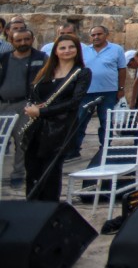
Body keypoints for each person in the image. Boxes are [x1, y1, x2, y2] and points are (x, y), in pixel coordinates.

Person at [22, 34, 90, 201]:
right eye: (63, 47)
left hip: (60, 129)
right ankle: (31, 211)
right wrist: (33, 107)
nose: (67, 50)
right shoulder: (45, 71)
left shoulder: (82, 73)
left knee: (50, 174)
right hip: (37, 128)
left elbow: (74, 103)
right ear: (56, 52)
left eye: (71, 47)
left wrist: (42, 112)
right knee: (32, 171)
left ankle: (48, 212)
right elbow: (34, 94)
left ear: (77, 50)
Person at [68, 24, 127, 163]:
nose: (96, 37)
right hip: (87, 92)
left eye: (99, 34)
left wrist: (121, 88)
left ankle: (105, 148)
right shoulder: (83, 50)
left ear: (106, 34)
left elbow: (122, 69)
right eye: (93, 35)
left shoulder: (116, 49)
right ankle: (74, 149)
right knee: (80, 121)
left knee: (106, 121)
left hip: (109, 91)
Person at [0, 27, 45, 188]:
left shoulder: (40, 58)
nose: (23, 43)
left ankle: (18, 175)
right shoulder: (4, 58)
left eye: (26, 39)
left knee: (22, 141)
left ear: (32, 40)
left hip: (25, 105)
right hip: (3, 104)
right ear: (11, 41)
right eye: (18, 40)